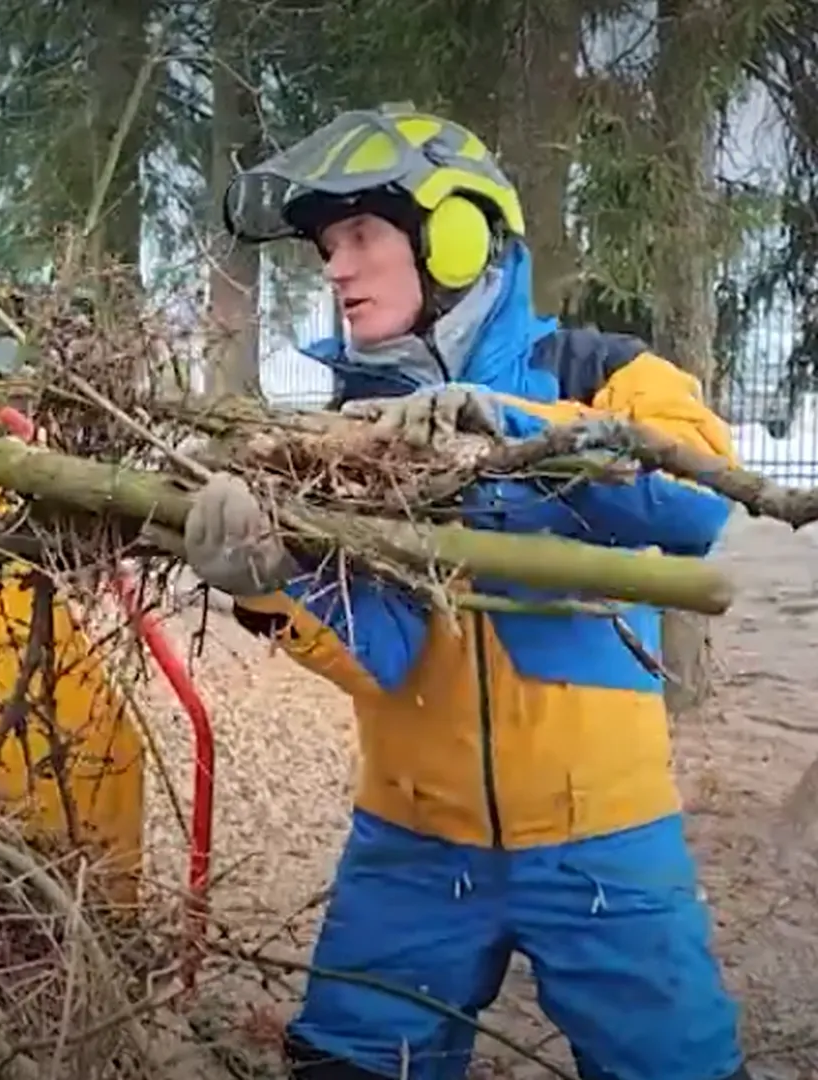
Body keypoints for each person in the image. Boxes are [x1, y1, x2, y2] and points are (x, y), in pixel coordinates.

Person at [194, 104, 751, 1080]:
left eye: (362, 234)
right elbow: (382, 650)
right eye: (328, 244)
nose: (335, 267)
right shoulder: (345, 438)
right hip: (411, 843)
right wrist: (270, 588)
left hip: (604, 845)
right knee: (350, 1064)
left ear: (455, 231)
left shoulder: (603, 372)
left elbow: (697, 499)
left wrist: (513, 430)